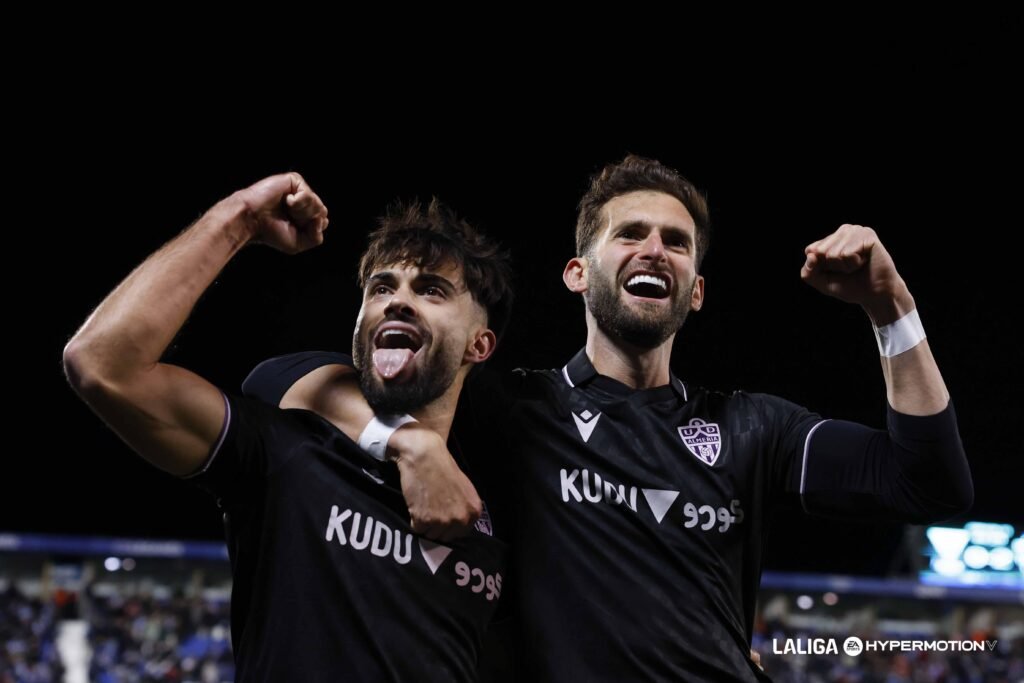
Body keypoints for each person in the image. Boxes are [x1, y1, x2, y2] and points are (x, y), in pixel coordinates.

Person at [243, 156, 974, 682]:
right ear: (579, 273)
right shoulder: (510, 412)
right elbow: (279, 379)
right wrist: (405, 443)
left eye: (676, 241)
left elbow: (930, 482)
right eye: (630, 233)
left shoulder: (753, 428)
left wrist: (890, 307)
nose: (654, 248)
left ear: (695, 293)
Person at [62, 173, 516, 682]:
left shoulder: (494, 507)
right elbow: (102, 364)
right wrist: (238, 217)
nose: (397, 300)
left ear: (480, 345)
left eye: (432, 290)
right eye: (381, 287)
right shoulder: (287, 452)